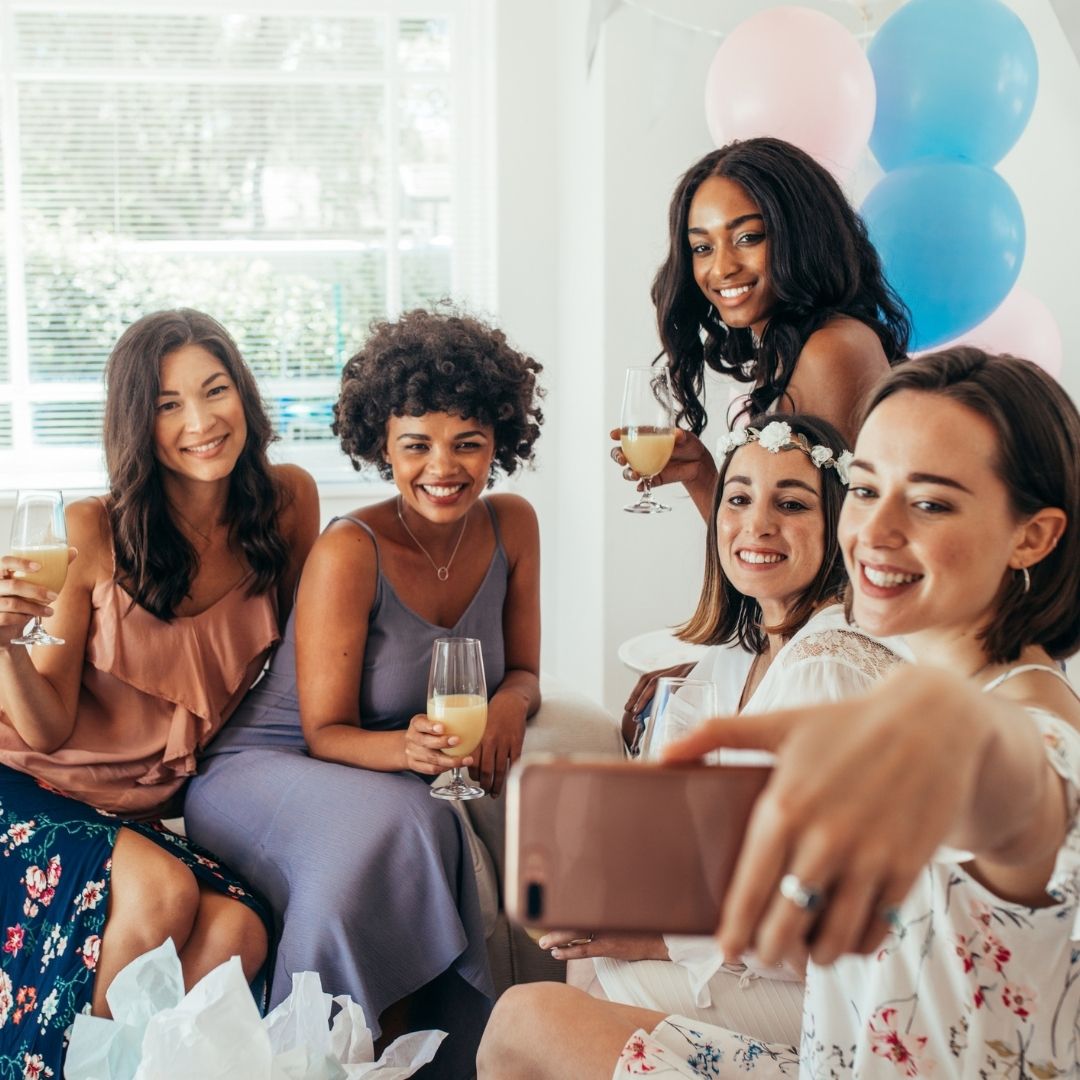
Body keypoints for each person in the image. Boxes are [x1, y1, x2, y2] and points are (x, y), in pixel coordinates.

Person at [478, 347, 1080, 1079]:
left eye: (929, 501)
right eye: (864, 490)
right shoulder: (922, 691)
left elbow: (1027, 800)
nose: (874, 532)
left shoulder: (1023, 732)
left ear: (1034, 535)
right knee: (520, 1024)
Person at [184, 307, 544, 1079]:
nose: (441, 468)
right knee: (411, 818)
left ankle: (412, 1062)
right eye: (416, 445)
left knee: (422, 813)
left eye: (468, 444)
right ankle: (317, 1060)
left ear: (499, 444)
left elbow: (523, 671)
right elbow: (326, 732)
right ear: (382, 444)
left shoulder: (513, 525)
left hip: (377, 764)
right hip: (266, 765)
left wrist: (512, 705)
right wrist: (406, 750)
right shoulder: (353, 548)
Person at [0, 309, 318, 1075]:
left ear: (243, 394)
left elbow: (317, 667)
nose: (201, 421)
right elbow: (43, 730)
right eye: (169, 404)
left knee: (239, 933)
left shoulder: (287, 504)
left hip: (136, 808)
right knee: (162, 895)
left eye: (215, 391)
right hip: (30, 783)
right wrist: (3, 645)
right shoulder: (93, 528)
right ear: (138, 424)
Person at [540, 415, 902, 1048]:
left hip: (842, 986)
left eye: (791, 504)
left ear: (841, 525)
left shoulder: (827, 666)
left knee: (584, 990)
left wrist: (656, 939)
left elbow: (816, 920)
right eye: (737, 499)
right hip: (755, 943)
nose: (757, 525)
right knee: (585, 951)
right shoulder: (739, 654)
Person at [612, 137, 910, 521]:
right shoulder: (789, 351)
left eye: (748, 238)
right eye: (702, 247)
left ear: (802, 236)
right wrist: (700, 473)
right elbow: (761, 547)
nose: (721, 268)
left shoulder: (831, 350)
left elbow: (822, 554)